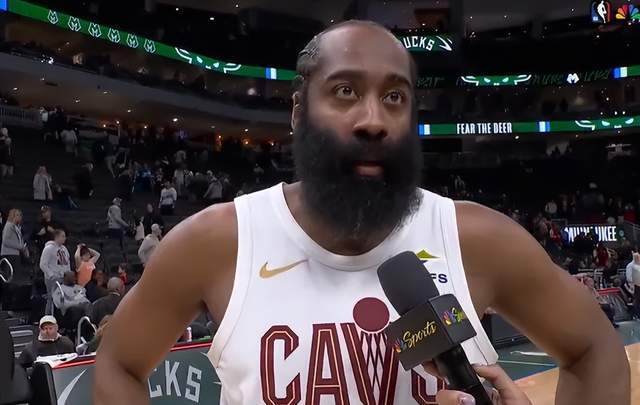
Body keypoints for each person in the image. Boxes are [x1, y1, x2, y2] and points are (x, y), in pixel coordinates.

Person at [95, 21, 629, 404]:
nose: (373, 119)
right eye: (345, 91)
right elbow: (118, 363)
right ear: (299, 110)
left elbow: (594, 349)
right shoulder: (217, 242)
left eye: (395, 97)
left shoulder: (477, 238)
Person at [39, 230, 70, 314]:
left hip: (63, 277)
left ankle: (61, 317)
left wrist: (68, 274)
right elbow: (43, 264)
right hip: (53, 278)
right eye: (62, 236)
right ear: (56, 237)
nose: (64, 238)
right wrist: (51, 275)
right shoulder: (48, 249)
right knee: (52, 299)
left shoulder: (64, 249)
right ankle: (48, 316)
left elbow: (67, 263)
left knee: (63, 299)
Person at [1, 209, 29, 278]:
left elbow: (19, 240)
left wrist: (24, 248)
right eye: (17, 215)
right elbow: (5, 241)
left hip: (15, 254)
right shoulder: (9, 226)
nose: (20, 217)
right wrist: (20, 246)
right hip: (9, 254)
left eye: (20, 215)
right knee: (10, 276)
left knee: (16, 275)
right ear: (13, 216)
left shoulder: (16, 227)